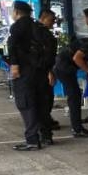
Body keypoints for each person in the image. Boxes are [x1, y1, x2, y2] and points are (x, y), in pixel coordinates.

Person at [5, 0, 43, 151]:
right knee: (36, 102)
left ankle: (32, 139)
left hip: (24, 70)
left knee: (25, 103)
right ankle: (43, 135)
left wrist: (14, 65)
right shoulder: (36, 25)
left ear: (17, 11)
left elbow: (12, 46)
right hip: (38, 70)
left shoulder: (18, 26)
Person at [52, 30, 88, 139]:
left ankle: (77, 127)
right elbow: (77, 58)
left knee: (75, 97)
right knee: (74, 97)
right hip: (64, 68)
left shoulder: (87, 42)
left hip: (63, 67)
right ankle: (77, 129)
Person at [34, 9, 61, 144]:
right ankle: (45, 134)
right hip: (41, 73)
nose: (54, 22)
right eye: (51, 20)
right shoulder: (40, 34)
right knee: (44, 103)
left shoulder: (40, 33)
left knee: (45, 103)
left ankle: (44, 130)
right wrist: (49, 71)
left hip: (41, 71)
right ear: (43, 18)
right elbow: (44, 57)